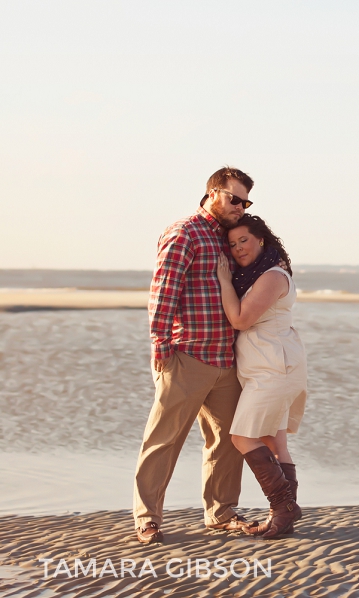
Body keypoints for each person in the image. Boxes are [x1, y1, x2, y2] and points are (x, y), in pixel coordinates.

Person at [133, 167, 259, 544]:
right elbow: (163, 290)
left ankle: (221, 513)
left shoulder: (228, 238)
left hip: (225, 359)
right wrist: (160, 345)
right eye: (234, 199)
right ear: (213, 193)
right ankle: (147, 518)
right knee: (163, 440)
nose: (240, 207)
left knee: (228, 440)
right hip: (186, 356)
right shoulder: (184, 231)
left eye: (245, 201)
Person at [216, 214, 308, 539]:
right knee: (273, 441)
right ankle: (283, 518)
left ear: (261, 240)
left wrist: (225, 282)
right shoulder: (258, 274)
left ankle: (283, 506)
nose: (239, 248)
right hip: (270, 366)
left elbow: (240, 319)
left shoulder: (271, 276)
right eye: (232, 244)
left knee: (242, 437)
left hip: (275, 368)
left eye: (245, 240)